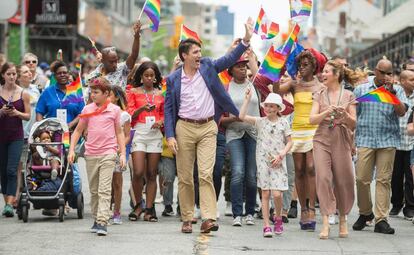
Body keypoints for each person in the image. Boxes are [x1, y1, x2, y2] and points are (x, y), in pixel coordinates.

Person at [164, 18, 254, 234]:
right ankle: (187, 217)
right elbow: (168, 109)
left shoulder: (208, 66)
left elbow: (229, 57)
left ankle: (209, 218)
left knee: (206, 174)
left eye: (200, 51)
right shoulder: (174, 79)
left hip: (207, 128)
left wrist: (246, 39)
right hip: (184, 128)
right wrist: (170, 135)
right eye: (195, 52)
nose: (199, 55)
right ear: (184, 55)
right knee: (185, 177)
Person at [352, 59, 408, 235]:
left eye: (389, 73)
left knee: (384, 181)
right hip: (365, 139)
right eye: (382, 73)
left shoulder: (397, 90)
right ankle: (365, 213)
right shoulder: (361, 89)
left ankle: (381, 220)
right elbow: (354, 117)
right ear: (375, 71)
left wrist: (392, 93)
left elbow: (402, 112)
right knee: (361, 179)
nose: (386, 76)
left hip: (388, 140)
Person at [274, 50, 325, 231]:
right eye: (300, 65)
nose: (302, 69)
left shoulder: (320, 85)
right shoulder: (294, 84)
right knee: (299, 170)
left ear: (314, 67)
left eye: (306, 65)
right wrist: (277, 71)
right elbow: (276, 91)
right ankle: (303, 208)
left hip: (314, 131)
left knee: (311, 168)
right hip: (297, 131)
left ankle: (312, 208)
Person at [68, 77, 126, 236]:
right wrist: (72, 150)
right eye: (91, 92)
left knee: (104, 189)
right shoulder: (87, 110)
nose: (93, 95)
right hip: (91, 154)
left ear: (106, 93)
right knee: (94, 191)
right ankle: (96, 218)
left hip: (109, 153)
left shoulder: (114, 110)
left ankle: (102, 221)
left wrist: (122, 154)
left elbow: (119, 132)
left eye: (96, 92)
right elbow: (78, 131)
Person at [309, 60, 359, 239]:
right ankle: (325, 221)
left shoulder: (348, 96)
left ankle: (343, 218)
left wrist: (345, 115)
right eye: (323, 71)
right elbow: (312, 119)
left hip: (342, 139)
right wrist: (326, 112)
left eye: (327, 71)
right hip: (321, 139)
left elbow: (354, 123)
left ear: (336, 75)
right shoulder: (318, 94)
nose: (323, 74)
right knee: (322, 178)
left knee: (344, 179)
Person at [239, 91, 293, 237]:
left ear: (277, 108)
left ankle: (278, 217)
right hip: (263, 161)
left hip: (278, 161)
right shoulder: (260, 121)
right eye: (266, 106)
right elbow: (241, 116)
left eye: (271, 106)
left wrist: (282, 154)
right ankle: (266, 225)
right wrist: (246, 100)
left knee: (277, 194)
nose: (267, 109)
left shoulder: (284, 122)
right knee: (265, 192)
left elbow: (290, 142)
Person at [127, 61, 164, 222]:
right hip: (139, 132)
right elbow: (129, 115)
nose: (149, 78)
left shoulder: (161, 94)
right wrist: (142, 109)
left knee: (151, 174)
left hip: (155, 134)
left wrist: (161, 122)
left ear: (156, 78)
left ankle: (149, 209)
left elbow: (164, 114)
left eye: (152, 76)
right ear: (141, 77)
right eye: (146, 75)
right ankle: (138, 205)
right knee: (138, 172)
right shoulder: (133, 92)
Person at [0, 62, 31, 217]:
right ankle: (7, 201)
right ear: (3, 75)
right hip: (1, 137)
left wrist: (17, 113)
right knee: (3, 171)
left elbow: (28, 115)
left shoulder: (23, 93)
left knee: (12, 170)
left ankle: (9, 204)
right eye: (9, 74)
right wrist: (1, 112)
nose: (12, 77)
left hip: (16, 137)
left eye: (14, 74)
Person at [87, 22, 141, 89]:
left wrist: (136, 36)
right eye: (111, 62)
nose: (115, 64)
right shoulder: (92, 76)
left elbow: (134, 55)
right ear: (102, 61)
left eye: (116, 61)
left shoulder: (122, 69)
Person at [391, 70, 414, 220]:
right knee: (395, 176)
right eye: (412, 79)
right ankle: (396, 204)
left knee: (410, 177)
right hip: (396, 142)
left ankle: (410, 207)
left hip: (411, 143)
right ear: (403, 81)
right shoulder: (396, 94)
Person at [16, 65, 40, 205]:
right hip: (21, 132)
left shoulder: (36, 89)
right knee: (21, 167)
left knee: (34, 164)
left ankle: (34, 194)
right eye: (25, 72)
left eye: (30, 71)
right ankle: (18, 196)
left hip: (34, 133)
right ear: (19, 77)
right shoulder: (17, 91)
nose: (29, 73)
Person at [36, 61, 84, 129]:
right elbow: (39, 112)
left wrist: (71, 124)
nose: (62, 75)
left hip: (72, 133)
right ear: (55, 76)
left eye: (65, 72)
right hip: (52, 134)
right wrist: (42, 130)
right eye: (59, 73)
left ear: (69, 74)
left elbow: (82, 113)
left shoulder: (76, 91)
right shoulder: (48, 92)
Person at [109, 86, 131, 225]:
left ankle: (117, 211)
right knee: (105, 184)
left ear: (116, 97)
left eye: (109, 95)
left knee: (117, 183)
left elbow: (128, 135)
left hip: (117, 153)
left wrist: (119, 148)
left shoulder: (124, 115)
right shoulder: (99, 113)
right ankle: (105, 210)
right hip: (103, 152)